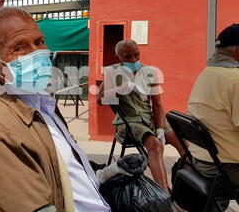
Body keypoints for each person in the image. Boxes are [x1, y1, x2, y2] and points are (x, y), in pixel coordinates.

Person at [0, 7, 110, 211]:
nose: (38, 53)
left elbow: (64, 171)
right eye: (19, 47)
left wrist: (105, 174)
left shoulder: (41, 103)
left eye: (39, 42)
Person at [97, 39, 185, 193]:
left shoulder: (149, 72)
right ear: (118, 58)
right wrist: (122, 87)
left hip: (150, 118)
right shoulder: (112, 72)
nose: (133, 60)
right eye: (127, 57)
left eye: (136, 55)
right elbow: (100, 99)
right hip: (128, 121)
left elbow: (157, 105)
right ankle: (165, 195)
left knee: (182, 142)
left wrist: (160, 129)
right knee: (155, 145)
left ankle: (190, 186)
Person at [187, 24, 239, 186]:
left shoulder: (206, 74)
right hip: (226, 168)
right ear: (238, 51)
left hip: (202, 160)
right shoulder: (235, 80)